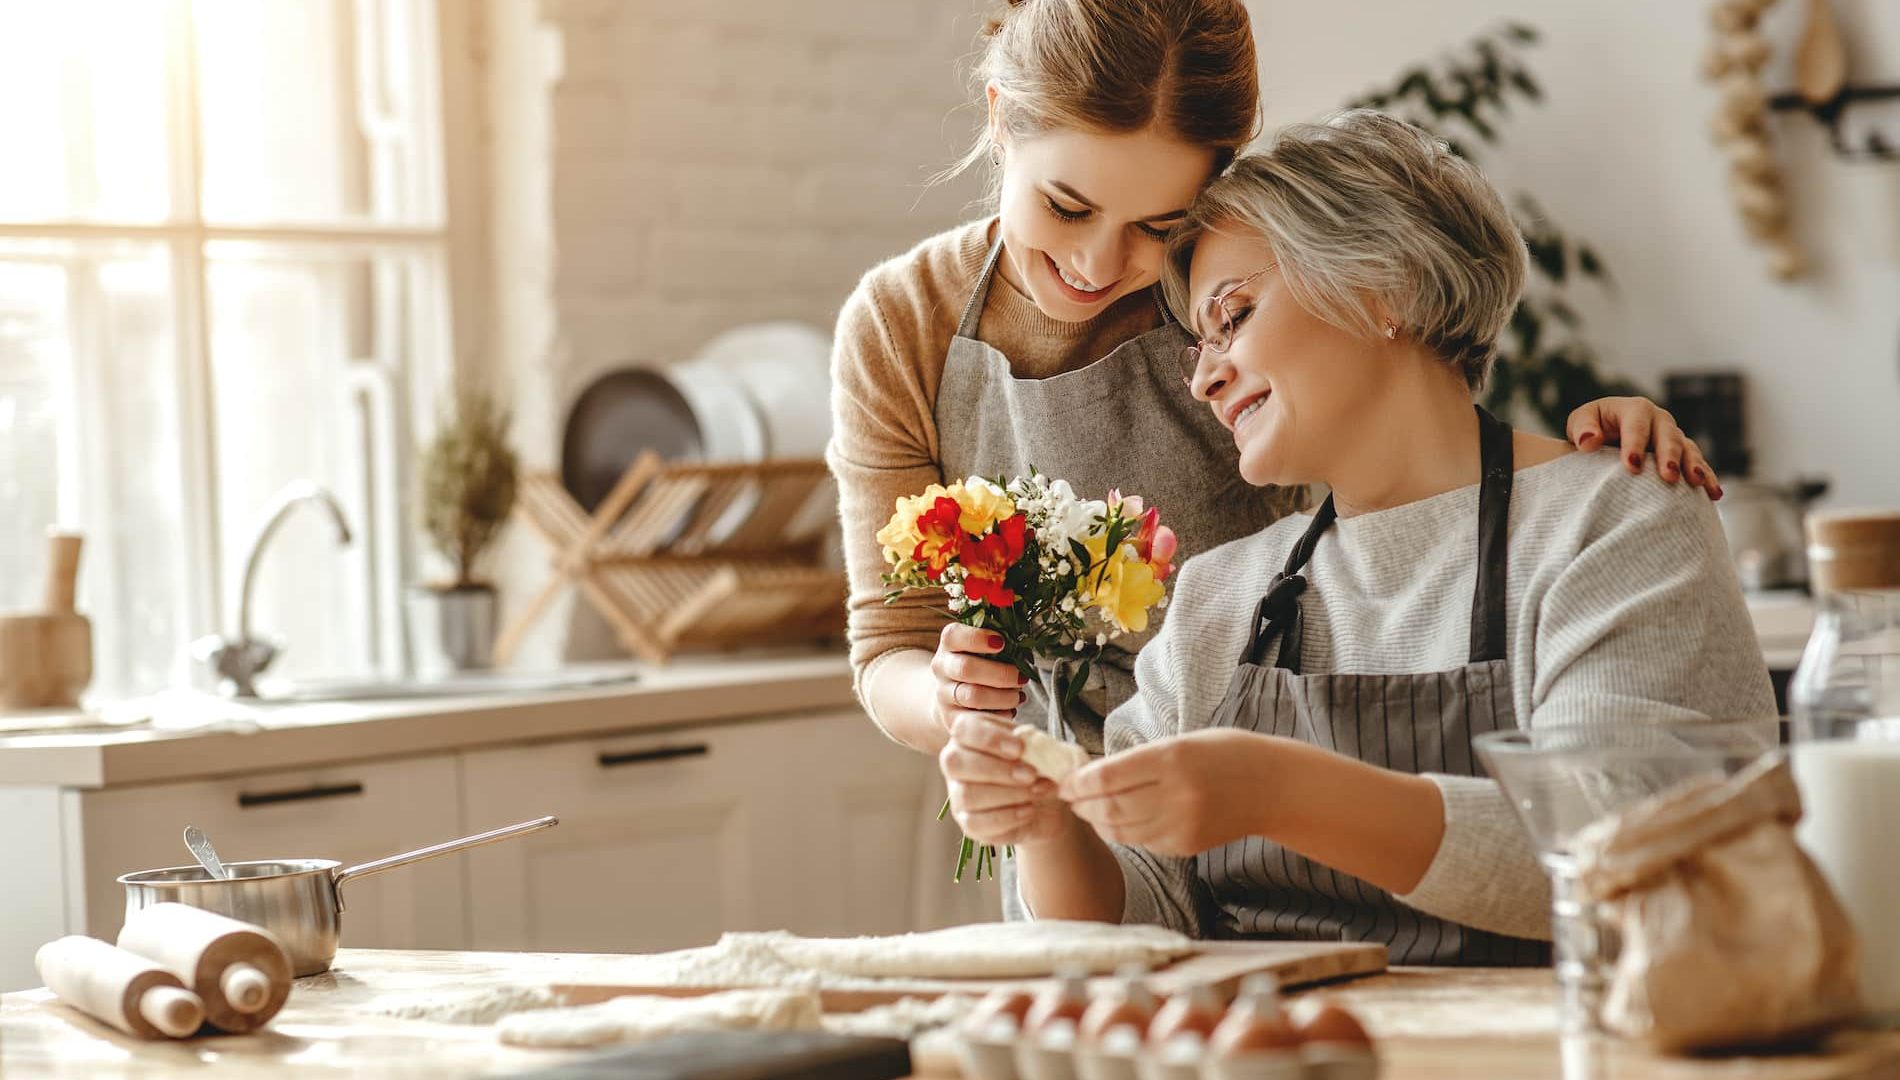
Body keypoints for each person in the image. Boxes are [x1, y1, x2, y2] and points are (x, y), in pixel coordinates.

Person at [827, 0, 1720, 918]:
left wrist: (1584, 468)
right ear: (997, 119)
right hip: (1126, 850)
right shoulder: (1218, 601)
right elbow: (895, 647)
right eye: (1067, 205)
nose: (1100, 263)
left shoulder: (1604, 525)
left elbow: (1419, 458)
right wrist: (1011, 762)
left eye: (1161, 233)